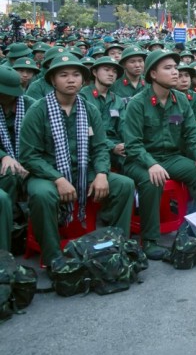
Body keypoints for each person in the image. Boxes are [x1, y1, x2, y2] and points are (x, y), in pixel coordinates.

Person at [19, 55, 134, 265]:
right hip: (47, 173)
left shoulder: (88, 109)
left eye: (76, 75)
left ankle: (116, 247)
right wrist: (58, 179)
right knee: (43, 195)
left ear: (83, 80)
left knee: (124, 185)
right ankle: (54, 258)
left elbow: (99, 147)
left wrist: (100, 173)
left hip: (83, 169)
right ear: (53, 80)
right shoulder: (38, 110)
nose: (70, 80)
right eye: (63, 75)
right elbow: (29, 156)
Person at [122, 49, 196, 260]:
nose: (175, 72)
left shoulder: (181, 100)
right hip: (141, 159)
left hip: (171, 158)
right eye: (168, 68)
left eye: (175, 67)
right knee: (152, 180)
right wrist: (150, 163)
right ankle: (150, 240)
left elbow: (192, 133)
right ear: (153, 74)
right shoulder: (138, 103)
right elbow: (133, 144)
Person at [0, 67, 35, 252]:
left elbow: (41, 138)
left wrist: (29, 162)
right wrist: (4, 156)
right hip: (5, 164)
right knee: (9, 175)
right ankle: (10, 226)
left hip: (29, 159)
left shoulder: (29, 104)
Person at [81, 57, 126, 170]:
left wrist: (128, 144)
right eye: (106, 70)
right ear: (95, 72)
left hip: (116, 145)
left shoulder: (117, 100)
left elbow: (124, 126)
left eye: (114, 71)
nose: (111, 74)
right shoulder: (83, 97)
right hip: (90, 146)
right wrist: (112, 146)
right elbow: (85, 129)